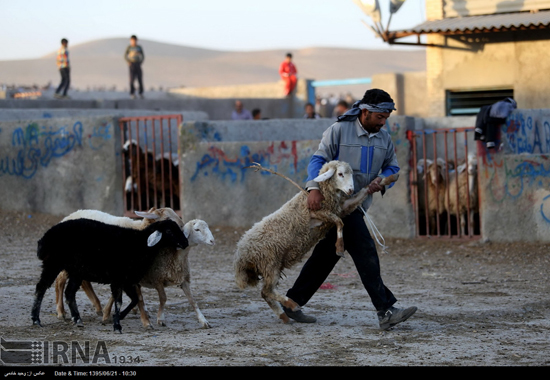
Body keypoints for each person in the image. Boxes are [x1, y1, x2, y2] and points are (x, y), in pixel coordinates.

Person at [283, 88, 417, 330]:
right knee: (365, 252)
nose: (383, 122)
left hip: (357, 204)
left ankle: (291, 302)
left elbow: (392, 168)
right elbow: (318, 159)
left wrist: (383, 180)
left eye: (386, 118)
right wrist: (313, 188)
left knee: (327, 255)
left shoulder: (384, 138)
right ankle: (385, 310)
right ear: (365, 112)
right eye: (380, 117)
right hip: (335, 205)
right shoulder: (339, 130)